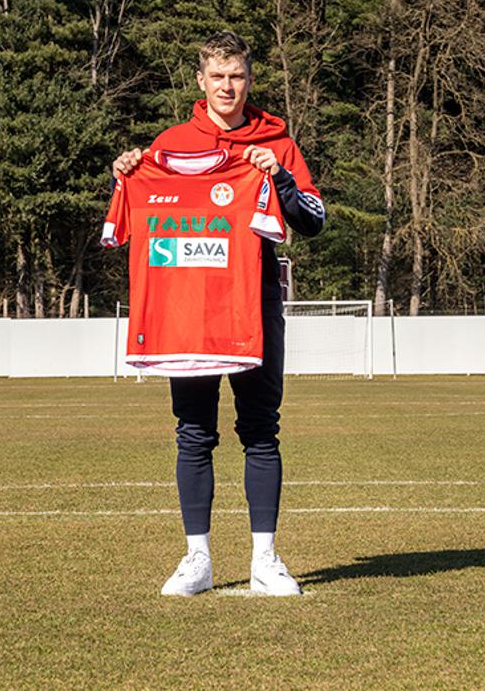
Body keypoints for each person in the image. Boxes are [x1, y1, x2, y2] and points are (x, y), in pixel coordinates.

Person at [109, 31, 325, 596]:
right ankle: (197, 559)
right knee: (193, 431)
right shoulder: (169, 144)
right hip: (187, 309)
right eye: (218, 77)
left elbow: (314, 220)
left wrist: (275, 176)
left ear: (249, 80)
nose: (228, 86)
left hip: (254, 305)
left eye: (238, 76)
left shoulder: (276, 141)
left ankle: (265, 560)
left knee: (260, 429)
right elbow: (144, 213)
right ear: (201, 82)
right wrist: (129, 172)